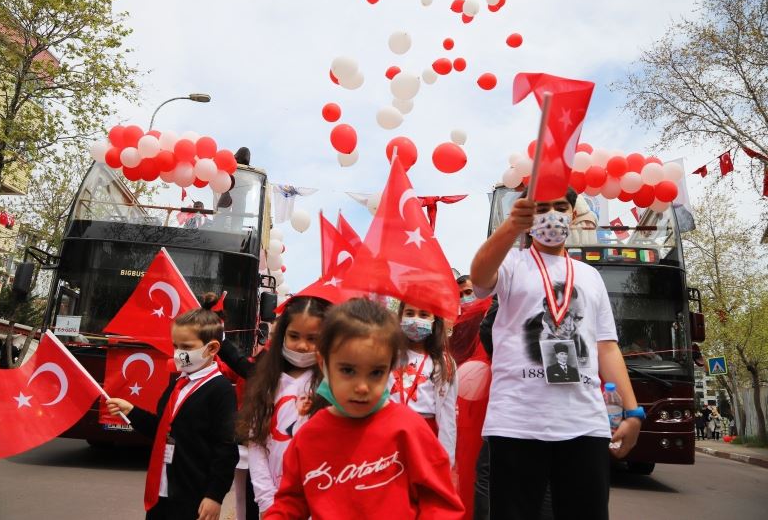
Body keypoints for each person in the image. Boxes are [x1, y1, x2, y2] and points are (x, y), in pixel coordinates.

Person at [470, 187, 642, 520]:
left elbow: (606, 345)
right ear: (528, 215)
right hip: (517, 422)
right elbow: (478, 277)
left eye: (560, 207)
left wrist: (633, 411)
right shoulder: (511, 263)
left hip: (585, 423)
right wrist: (510, 227)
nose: (552, 216)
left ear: (573, 213)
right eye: (541, 208)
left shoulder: (591, 277)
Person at [264, 298, 464, 519]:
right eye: (348, 370)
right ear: (323, 363)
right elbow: (290, 503)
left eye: (376, 372)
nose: (361, 387)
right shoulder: (309, 437)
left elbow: (440, 504)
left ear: (391, 367)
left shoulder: (409, 430)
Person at [107, 294, 237, 520]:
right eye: (176, 345)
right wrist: (132, 412)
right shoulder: (177, 383)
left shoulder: (221, 390)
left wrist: (215, 495)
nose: (178, 353)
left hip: (193, 496)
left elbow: (226, 448)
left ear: (212, 348)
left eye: (186, 346)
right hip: (162, 490)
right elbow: (164, 429)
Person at [236, 296, 330, 516]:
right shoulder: (267, 383)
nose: (302, 345)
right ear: (282, 336)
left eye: (312, 338)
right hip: (273, 503)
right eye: (294, 336)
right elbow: (257, 444)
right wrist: (267, 500)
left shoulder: (332, 386)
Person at [390, 302, 458, 467]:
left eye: (424, 315)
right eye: (410, 313)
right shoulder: (388, 354)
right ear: (400, 317)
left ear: (435, 321)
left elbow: (448, 416)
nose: (415, 320)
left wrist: (446, 460)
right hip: (389, 432)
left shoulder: (444, 363)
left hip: (425, 436)